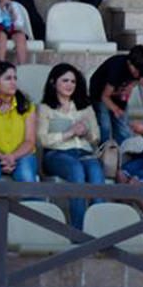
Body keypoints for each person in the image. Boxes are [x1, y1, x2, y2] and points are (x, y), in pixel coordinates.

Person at [37, 63, 102, 229]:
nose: (70, 85)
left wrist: (86, 132)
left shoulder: (85, 107)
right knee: (76, 170)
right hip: (56, 154)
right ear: (53, 82)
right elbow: (42, 139)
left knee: (96, 171)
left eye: (73, 81)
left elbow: (96, 138)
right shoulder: (45, 108)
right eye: (65, 80)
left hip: (84, 153)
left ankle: (99, 227)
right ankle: (78, 230)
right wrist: (69, 132)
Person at [0, 60, 39, 208]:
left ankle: (34, 225)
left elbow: (30, 141)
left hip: (21, 155)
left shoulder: (27, 105)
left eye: (15, 78)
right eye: (8, 78)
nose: (13, 82)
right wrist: (2, 156)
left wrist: (12, 157)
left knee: (27, 177)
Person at [89, 44, 143, 145]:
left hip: (118, 92)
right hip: (100, 93)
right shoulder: (116, 68)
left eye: (141, 72)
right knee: (105, 124)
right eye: (136, 70)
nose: (138, 74)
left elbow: (138, 80)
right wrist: (116, 109)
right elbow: (105, 96)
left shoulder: (140, 69)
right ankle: (104, 149)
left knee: (123, 127)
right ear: (129, 63)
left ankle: (124, 149)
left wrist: (131, 86)